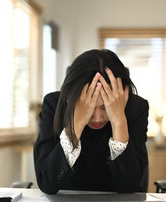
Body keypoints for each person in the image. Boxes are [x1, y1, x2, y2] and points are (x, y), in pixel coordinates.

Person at [33, 49, 149, 194]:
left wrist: (119, 121)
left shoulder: (136, 108)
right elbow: (47, 183)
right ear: (69, 98)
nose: (98, 118)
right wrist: (76, 124)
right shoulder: (54, 105)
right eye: (90, 108)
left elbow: (130, 188)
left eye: (105, 108)